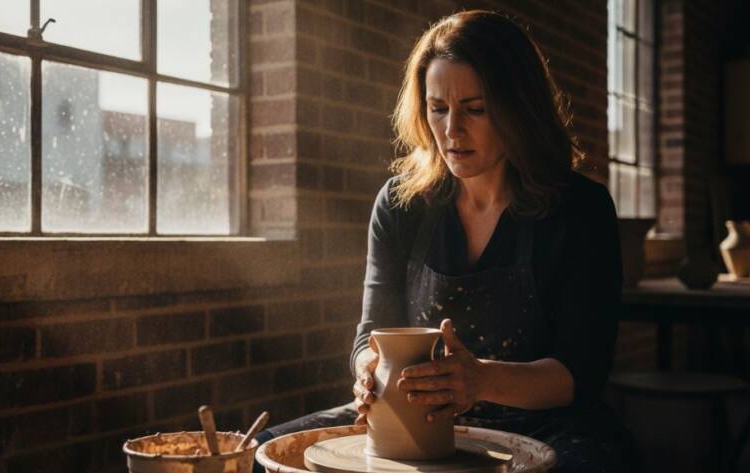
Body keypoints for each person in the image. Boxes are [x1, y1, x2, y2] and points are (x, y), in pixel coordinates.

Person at [254, 10, 638, 472]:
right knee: (258, 453)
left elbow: (582, 373)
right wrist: (369, 373)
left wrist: (480, 380)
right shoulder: (401, 205)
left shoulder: (579, 210)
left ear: (519, 108)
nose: (452, 130)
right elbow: (370, 335)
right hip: (418, 417)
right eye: (438, 109)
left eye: (475, 109)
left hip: (546, 424)